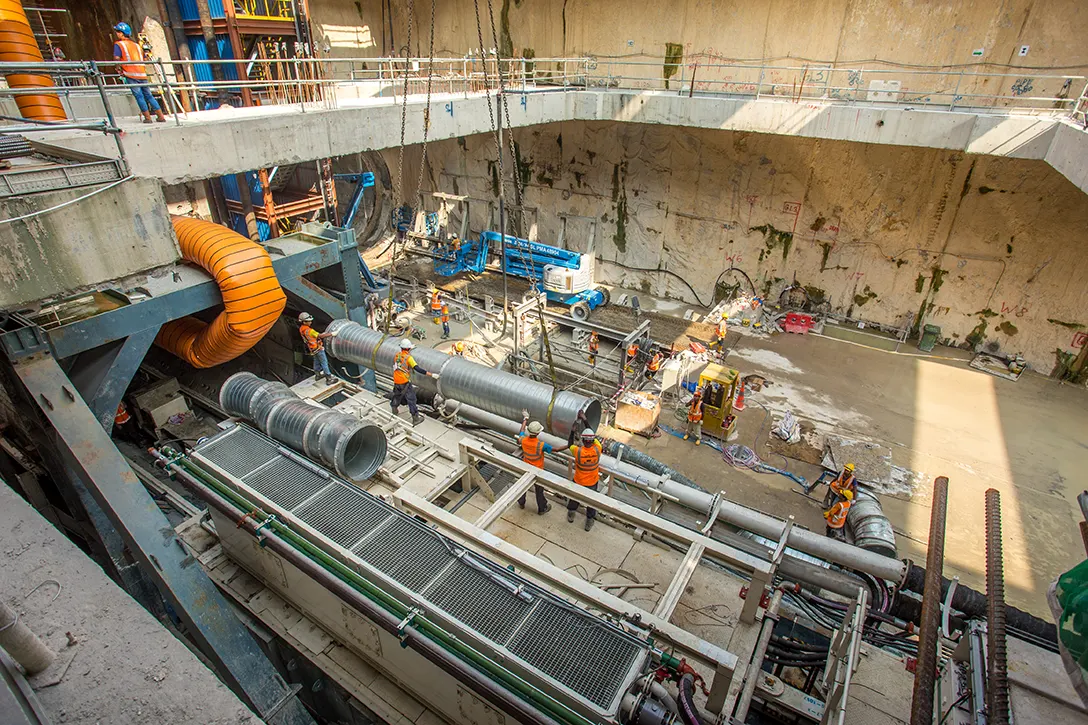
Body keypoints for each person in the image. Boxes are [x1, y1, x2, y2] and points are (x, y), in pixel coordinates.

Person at [112, 22, 165, 124]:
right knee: (149, 95)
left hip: (130, 75)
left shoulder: (119, 45)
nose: (117, 34)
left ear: (122, 33)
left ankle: (148, 118)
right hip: (142, 74)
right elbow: (144, 58)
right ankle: (161, 116)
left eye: (118, 32)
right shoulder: (137, 45)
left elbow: (117, 59)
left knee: (139, 96)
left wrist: (119, 69)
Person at [391, 339, 438, 425]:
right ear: (408, 349)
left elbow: (402, 360)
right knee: (411, 399)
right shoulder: (409, 358)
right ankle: (415, 418)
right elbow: (417, 369)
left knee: (397, 395)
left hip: (396, 380)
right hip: (404, 382)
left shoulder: (397, 355)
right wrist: (431, 375)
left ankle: (394, 408)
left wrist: (410, 348)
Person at [516, 413, 553, 515]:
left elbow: (521, 431)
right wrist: (568, 446)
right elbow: (555, 449)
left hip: (526, 467)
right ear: (538, 433)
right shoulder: (541, 445)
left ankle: (521, 503)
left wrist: (525, 419)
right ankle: (542, 508)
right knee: (539, 491)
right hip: (537, 471)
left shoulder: (523, 440)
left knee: (522, 487)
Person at [568, 428, 602, 531]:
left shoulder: (578, 451)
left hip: (579, 481)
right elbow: (594, 438)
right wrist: (585, 420)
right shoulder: (598, 449)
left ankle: (571, 513)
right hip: (592, 482)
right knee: (591, 501)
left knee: (575, 497)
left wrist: (573, 431)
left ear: (583, 440)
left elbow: (570, 444)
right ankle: (589, 519)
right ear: (592, 440)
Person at [298, 312, 337, 381]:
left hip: (312, 349)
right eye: (309, 321)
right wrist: (331, 334)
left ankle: (318, 375)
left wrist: (322, 334)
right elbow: (320, 336)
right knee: (324, 362)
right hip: (318, 348)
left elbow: (313, 336)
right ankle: (329, 378)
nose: (310, 322)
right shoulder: (310, 331)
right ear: (304, 322)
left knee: (316, 361)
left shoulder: (301, 329)